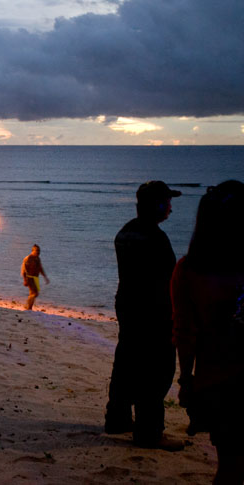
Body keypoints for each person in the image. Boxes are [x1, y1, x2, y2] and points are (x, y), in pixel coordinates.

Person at [172, 180, 244, 480]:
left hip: (216, 382)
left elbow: (185, 332)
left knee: (228, 467)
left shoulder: (188, 270)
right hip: (225, 382)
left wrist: (187, 380)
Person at [104, 180, 183, 451]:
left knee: (126, 361)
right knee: (156, 371)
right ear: (157, 205)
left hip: (128, 305)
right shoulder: (155, 238)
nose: (171, 208)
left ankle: (117, 418)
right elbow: (168, 280)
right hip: (153, 311)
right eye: (168, 202)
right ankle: (149, 431)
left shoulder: (124, 233)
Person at [21, 244, 49, 310]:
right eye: (37, 251)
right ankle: (28, 306)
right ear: (32, 251)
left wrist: (45, 277)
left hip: (35, 278)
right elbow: (24, 270)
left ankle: (29, 307)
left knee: (33, 293)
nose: (38, 252)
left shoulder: (38, 258)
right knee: (34, 293)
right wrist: (25, 279)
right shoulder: (28, 258)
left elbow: (40, 268)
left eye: (39, 251)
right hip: (29, 277)